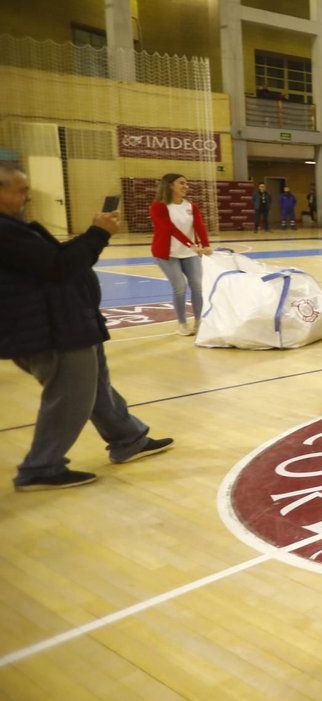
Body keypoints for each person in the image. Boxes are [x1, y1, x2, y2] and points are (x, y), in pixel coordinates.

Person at [1, 163, 174, 490]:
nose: (27, 196)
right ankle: (41, 467)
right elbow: (59, 266)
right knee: (70, 398)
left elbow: (56, 261)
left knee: (95, 388)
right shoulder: (5, 231)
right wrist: (97, 234)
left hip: (69, 323)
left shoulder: (15, 228)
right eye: (20, 190)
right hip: (50, 331)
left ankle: (129, 438)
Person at [149, 173, 212, 336]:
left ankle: (199, 321)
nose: (186, 186)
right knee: (180, 288)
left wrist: (205, 245)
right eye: (181, 183)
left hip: (189, 254)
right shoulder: (158, 207)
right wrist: (192, 245)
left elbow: (199, 226)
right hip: (167, 254)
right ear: (170, 185)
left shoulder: (191, 206)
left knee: (198, 287)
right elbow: (170, 229)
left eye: (186, 183)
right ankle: (182, 323)